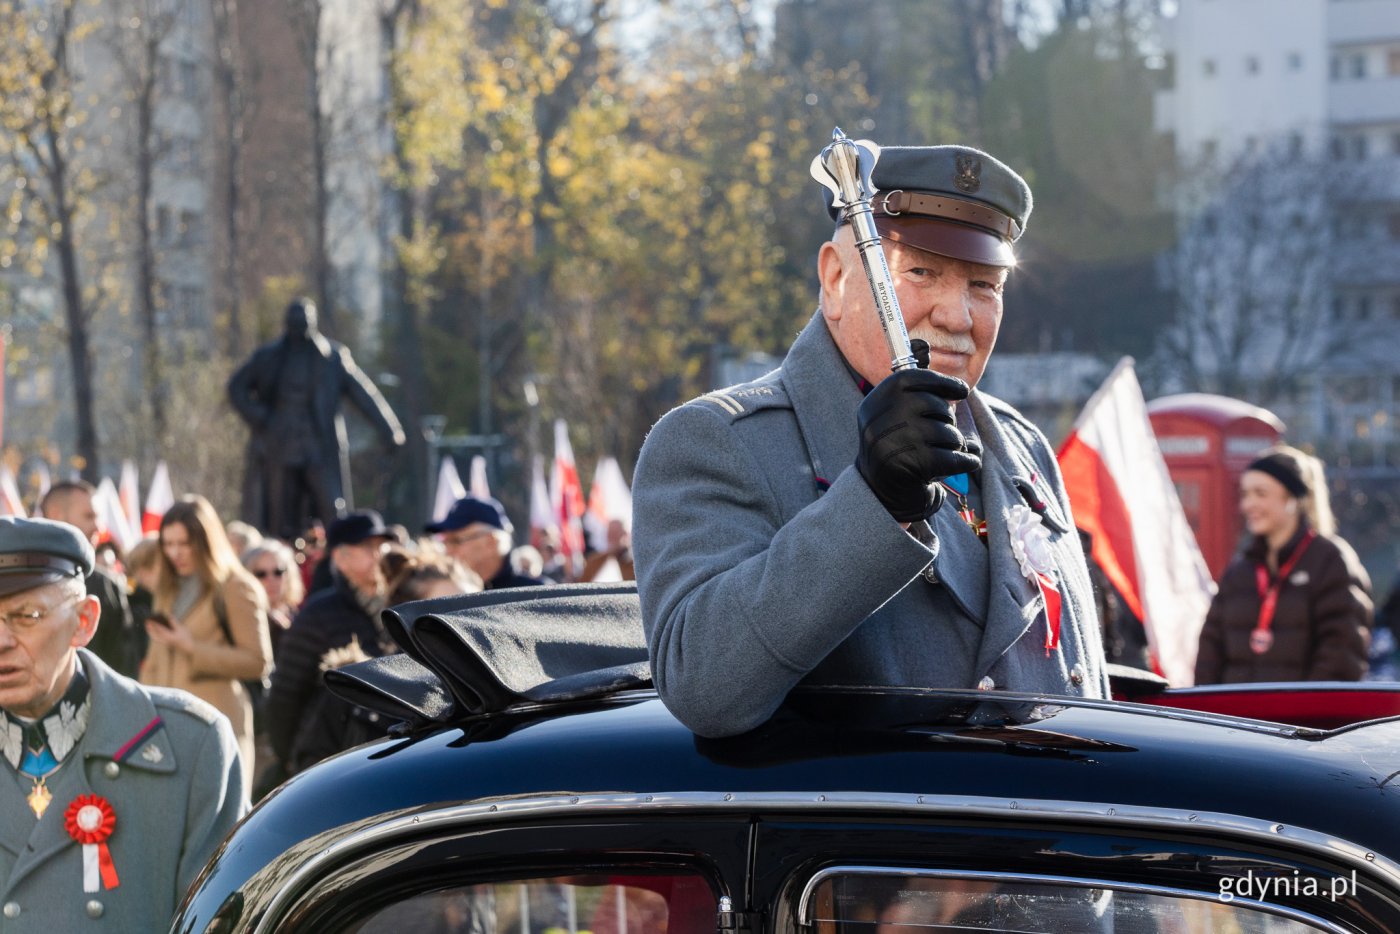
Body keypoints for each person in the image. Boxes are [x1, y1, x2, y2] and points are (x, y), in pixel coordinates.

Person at [632, 141, 1108, 738]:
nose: (959, 316)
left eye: (985, 286)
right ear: (835, 278)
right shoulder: (719, 442)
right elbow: (702, 685)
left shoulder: (1021, 444)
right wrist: (874, 502)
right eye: (921, 271)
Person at [0, 516, 244, 929]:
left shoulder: (191, 745)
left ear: (84, 621)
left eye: (26, 616)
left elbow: (226, 921)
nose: (2, 641)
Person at [227, 298, 407, 541]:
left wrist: (389, 430)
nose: (299, 327)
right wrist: (263, 417)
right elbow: (236, 388)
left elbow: (364, 394)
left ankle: (339, 560)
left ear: (312, 324)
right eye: (295, 322)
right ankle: (283, 566)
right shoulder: (268, 357)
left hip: (319, 446)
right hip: (281, 444)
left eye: (304, 322)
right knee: (281, 515)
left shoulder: (333, 358)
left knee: (333, 508)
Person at [1195, 446, 1371, 684]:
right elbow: (1209, 655)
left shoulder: (1331, 560)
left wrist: (1301, 714)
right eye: (1245, 494)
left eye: (1261, 493)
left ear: (1291, 499)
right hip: (1236, 720)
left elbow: (1341, 656)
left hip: (1300, 720)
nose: (1248, 505)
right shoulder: (1239, 570)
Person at [141, 496, 274, 789]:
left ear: (206, 541)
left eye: (185, 543)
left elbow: (258, 662)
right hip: (165, 732)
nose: (176, 552)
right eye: (168, 543)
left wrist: (191, 647)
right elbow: (154, 661)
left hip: (217, 729)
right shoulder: (167, 589)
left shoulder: (236, 586)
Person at [264, 510, 398, 778]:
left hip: (390, 756)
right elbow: (285, 696)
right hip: (332, 762)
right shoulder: (319, 615)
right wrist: (291, 757)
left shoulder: (400, 604)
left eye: (382, 545)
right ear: (341, 557)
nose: (379, 553)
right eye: (367, 546)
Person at [38, 481, 143, 679]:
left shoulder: (108, 587)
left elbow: (124, 670)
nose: (98, 527)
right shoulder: (13, 581)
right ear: (56, 514)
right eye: (89, 516)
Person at [426, 495, 546, 590]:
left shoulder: (537, 595)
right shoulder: (442, 593)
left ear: (491, 542)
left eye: (455, 541)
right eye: (445, 542)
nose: (448, 550)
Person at [242, 538, 305, 658]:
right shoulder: (245, 620)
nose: (271, 580)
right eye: (261, 574)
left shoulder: (294, 613)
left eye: (278, 572)